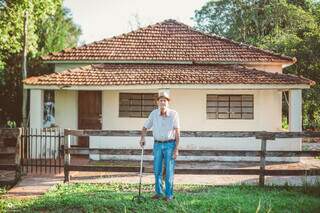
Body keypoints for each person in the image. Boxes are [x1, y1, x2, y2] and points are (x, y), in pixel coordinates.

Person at [139, 90, 180, 202]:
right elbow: (144, 127)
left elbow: (177, 132)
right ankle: (158, 193)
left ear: (168, 103)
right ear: (157, 102)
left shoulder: (174, 114)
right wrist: (142, 138)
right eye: (161, 100)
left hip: (170, 145)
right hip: (157, 145)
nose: (163, 102)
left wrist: (176, 148)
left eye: (165, 100)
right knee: (157, 169)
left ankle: (169, 195)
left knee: (169, 170)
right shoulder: (153, 114)